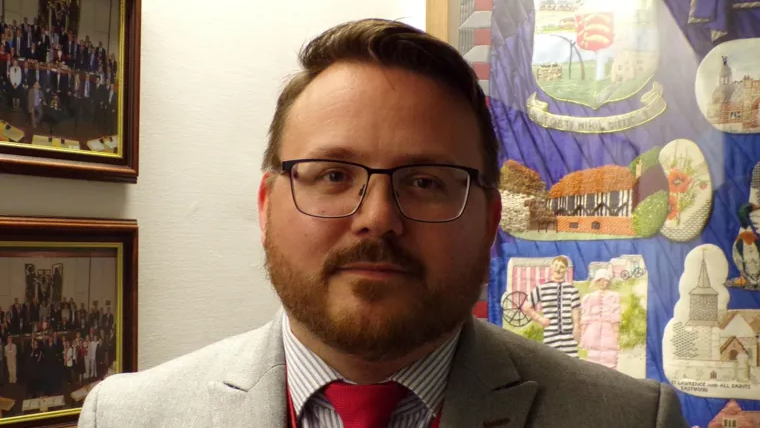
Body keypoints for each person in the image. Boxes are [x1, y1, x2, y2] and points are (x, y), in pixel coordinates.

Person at [78, 19, 689, 428]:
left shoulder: (628, 418)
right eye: (332, 174)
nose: (377, 219)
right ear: (267, 208)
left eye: (424, 182)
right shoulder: (128, 416)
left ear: (488, 220)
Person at [521, 255, 582, 357]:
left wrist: (576, 327)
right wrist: (540, 319)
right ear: (551, 267)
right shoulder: (542, 288)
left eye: (562, 267)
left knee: (572, 364)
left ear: (566, 270)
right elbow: (526, 307)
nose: (558, 269)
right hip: (551, 335)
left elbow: (575, 309)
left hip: (568, 336)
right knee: (552, 363)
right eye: (556, 266)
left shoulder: (572, 289)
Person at [580, 269, 622, 370]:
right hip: (593, 328)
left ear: (609, 282)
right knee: (594, 353)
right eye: (599, 280)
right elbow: (586, 314)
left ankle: (610, 374)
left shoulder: (613, 296)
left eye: (605, 280)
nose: (602, 283)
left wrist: (616, 331)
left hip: (608, 327)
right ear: (596, 282)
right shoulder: (589, 297)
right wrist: (583, 331)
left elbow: (615, 313)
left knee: (609, 352)